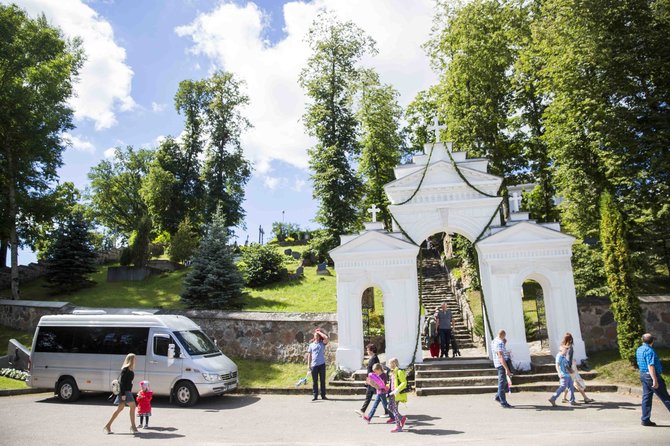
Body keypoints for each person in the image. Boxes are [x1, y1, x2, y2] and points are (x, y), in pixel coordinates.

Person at [636, 333, 670, 426]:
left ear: (642, 340)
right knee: (665, 397)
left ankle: (645, 419)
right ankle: (645, 419)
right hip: (651, 376)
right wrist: (655, 380)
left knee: (646, 398)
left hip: (643, 375)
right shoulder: (649, 351)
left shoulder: (639, 349)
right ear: (652, 341)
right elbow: (650, 366)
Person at [104, 353, 139, 434]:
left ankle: (108, 426)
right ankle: (133, 427)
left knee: (120, 409)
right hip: (125, 392)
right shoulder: (125, 369)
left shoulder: (130, 369)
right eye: (134, 359)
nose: (135, 360)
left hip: (127, 391)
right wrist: (123, 394)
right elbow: (122, 383)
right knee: (133, 406)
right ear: (131, 360)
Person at [561, 332, 594, 403]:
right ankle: (585, 398)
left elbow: (564, 358)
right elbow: (569, 359)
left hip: (565, 367)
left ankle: (564, 398)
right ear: (571, 339)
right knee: (576, 381)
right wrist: (570, 368)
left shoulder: (563, 347)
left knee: (569, 382)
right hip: (571, 367)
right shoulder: (570, 348)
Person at [356, 344, 388, 416]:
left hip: (373, 380)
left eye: (368, 350)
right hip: (372, 379)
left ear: (372, 350)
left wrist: (370, 380)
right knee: (379, 396)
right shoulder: (373, 358)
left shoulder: (374, 359)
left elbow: (374, 371)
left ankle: (362, 411)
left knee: (376, 396)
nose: (367, 351)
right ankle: (387, 411)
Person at [492, 329, 513, 408]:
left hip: (498, 364)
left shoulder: (494, 341)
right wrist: (506, 369)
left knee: (503, 382)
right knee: (502, 383)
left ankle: (498, 396)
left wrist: (504, 343)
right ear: (503, 336)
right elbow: (501, 356)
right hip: (502, 364)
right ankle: (503, 402)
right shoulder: (500, 343)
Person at [307, 327, 329, 401]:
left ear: (319, 337)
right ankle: (315, 395)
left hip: (321, 364)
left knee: (322, 380)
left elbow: (326, 338)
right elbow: (309, 355)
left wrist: (319, 332)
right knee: (314, 381)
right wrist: (308, 365)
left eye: (317, 336)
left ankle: (323, 395)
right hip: (314, 365)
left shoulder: (322, 343)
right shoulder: (311, 345)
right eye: (315, 335)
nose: (316, 337)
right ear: (314, 336)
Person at [386, 357, 408, 433]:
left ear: (394, 363)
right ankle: (402, 418)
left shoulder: (399, 371)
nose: (389, 364)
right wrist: (387, 386)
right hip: (392, 393)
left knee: (394, 409)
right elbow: (392, 383)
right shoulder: (392, 372)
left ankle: (398, 427)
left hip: (396, 394)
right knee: (389, 407)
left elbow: (404, 383)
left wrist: (397, 390)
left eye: (390, 363)